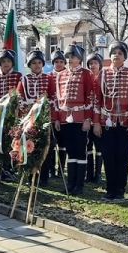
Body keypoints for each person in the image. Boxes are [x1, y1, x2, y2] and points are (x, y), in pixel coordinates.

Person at [93, 41, 128, 200]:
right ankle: (110, 188)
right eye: (114, 53)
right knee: (108, 156)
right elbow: (97, 100)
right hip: (107, 123)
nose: (116, 55)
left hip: (125, 124)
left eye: (120, 53)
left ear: (124, 57)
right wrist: (97, 122)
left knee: (123, 157)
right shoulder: (102, 74)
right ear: (110, 56)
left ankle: (120, 189)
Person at [53, 44, 94, 195]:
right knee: (70, 151)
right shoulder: (61, 75)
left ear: (80, 59)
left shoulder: (86, 73)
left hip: (80, 117)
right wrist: (57, 119)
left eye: (74, 57)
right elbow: (58, 99)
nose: (71, 59)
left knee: (80, 150)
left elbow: (90, 97)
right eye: (69, 57)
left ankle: (79, 185)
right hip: (65, 118)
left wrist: (88, 119)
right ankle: (70, 184)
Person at [17, 49, 54, 184]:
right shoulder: (24, 79)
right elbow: (20, 98)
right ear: (29, 65)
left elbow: (53, 96)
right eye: (33, 63)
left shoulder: (48, 78)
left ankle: (44, 176)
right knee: (28, 146)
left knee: (44, 146)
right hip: (29, 119)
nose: (37, 65)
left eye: (39, 62)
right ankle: (30, 175)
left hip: (44, 118)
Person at [85, 51, 104, 184]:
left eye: (95, 63)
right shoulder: (86, 78)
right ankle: (89, 173)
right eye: (90, 63)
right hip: (87, 117)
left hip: (99, 118)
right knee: (87, 146)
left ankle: (98, 174)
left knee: (100, 147)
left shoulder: (103, 78)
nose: (93, 65)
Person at [49, 49, 68, 179]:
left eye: (61, 61)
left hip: (65, 114)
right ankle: (50, 169)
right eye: (56, 62)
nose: (59, 64)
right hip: (51, 114)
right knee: (51, 144)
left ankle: (61, 169)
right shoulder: (48, 76)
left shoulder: (69, 75)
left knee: (63, 143)